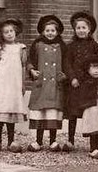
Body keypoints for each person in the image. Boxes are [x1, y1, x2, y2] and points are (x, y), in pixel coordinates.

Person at [26, 14, 67, 151]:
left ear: (57, 32)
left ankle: (53, 141)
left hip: (55, 85)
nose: (50, 33)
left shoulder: (61, 46)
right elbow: (30, 61)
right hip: (41, 85)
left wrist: (64, 74)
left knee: (52, 112)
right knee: (40, 111)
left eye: (53, 31)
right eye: (47, 31)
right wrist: (32, 71)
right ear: (43, 31)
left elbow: (67, 62)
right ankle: (38, 141)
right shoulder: (37, 45)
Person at [0, 18, 28, 152]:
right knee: (0, 110)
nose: (9, 34)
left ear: (15, 32)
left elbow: (23, 67)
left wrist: (22, 83)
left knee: (11, 112)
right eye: (6, 32)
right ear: (1, 35)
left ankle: (11, 141)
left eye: (11, 31)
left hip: (14, 85)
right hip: (1, 84)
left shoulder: (20, 48)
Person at [63, 10, 98, 150]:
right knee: (73, 113)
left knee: (90, 112)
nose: (81, 30)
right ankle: (70, 140)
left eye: (84, 28)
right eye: (78, 28)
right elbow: (67, 63)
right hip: (75, 85)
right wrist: (72, 77)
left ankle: (93, 143)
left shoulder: (95, 46)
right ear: (74, 29)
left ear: (89, 29)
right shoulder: (70, 46)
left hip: (90, 84)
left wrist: (93, 78)